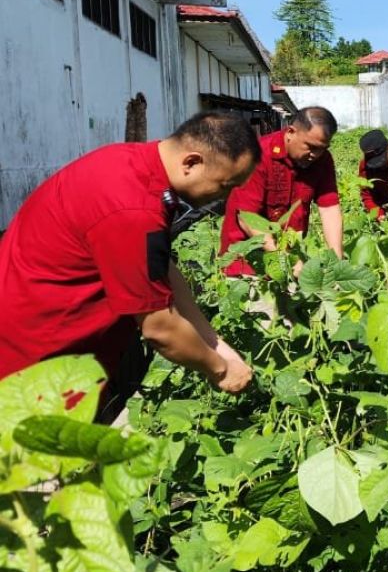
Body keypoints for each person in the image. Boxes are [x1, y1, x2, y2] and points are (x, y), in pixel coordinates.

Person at [0, 112, 260, 421]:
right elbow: (160, 329)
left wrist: (216, 344)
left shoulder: (130, 162)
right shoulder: (134, 209)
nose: (226, 197)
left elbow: (160, 268)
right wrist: (218, 369)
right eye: (224, 185)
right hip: (39, 359)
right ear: (191, 162)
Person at [220, 106, 344, 276]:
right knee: (261, 303)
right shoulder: (258, 155)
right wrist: (282, 259)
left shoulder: (322, 160)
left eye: (322, 148)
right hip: (247, 260)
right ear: (291, 132)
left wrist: (336, 260)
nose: (316, 154)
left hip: (290, 258)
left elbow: (329, 208)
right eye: (311, 146)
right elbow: (246, 217)